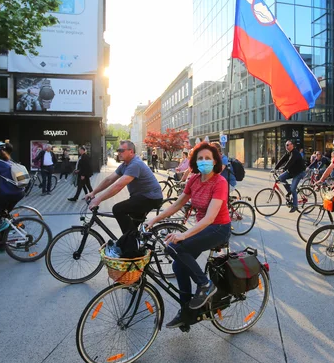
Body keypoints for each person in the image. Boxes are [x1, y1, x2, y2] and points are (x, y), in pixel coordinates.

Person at [146, 142, 232, 327]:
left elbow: (210, 218)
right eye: (200, 158)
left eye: (208, 158)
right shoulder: (193, 179)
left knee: (174, 246)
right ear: (195, 161)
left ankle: (205, 284)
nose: (204, 161)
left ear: (215, 161)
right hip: (204, 226)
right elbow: (177, 204)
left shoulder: (220, 182)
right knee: (178, 266)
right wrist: (155, 219)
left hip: (219, 228)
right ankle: (187, 313)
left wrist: (184, 235)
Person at [85, 140, 163, 237]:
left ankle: (129, 245)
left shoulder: (135, 164)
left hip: (150, 198)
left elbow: (118, 186)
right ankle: (133, 246)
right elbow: (109, 180)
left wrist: (99, 199)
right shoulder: (125, 165)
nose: (119, 153)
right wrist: (93, 193)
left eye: (121, 150)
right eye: (118, 150)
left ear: (131, 151)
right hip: (140, 197)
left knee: (118, 209)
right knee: (131, 227)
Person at [273, 140, 306, 212]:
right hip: (291, 171)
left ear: (292, 145)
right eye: (285, 145)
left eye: (288, 145)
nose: (286, 146)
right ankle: (290, 192)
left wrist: (284, 169)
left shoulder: (295, 153)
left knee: (293, 188)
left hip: (299, 173)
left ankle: (295, 206)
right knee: (280, 178)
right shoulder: (288, 152)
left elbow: (290, 162)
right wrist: (275, 168)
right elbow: (282, 160)